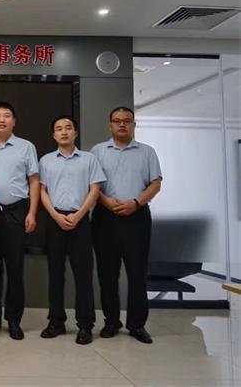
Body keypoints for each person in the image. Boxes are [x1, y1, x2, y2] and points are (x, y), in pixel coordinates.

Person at [91, 106, 162, 344]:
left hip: (137, 217)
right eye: (117, 121)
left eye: (127, 121)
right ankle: (111, 322)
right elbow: (92, 184)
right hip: (105, 217)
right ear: (110, 125)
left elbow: (155, 184)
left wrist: (136, 202)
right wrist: (106, 201)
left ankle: (137, 325)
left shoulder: (147, 152)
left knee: (137, 273)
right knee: (107, 274)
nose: (122, 124)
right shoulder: (97, 151)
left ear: (133, 125)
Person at [0, 101, 40, 340]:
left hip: (15, 212)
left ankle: (13, 319)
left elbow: (34, 181)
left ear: (14, 121)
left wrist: (32, 213)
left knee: (14, 267)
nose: (2, 120)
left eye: (7, 116)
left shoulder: (26, 147)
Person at [38, 116, 106, 345]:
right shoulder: (46, 161)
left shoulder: (89, 159)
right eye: (59, 129)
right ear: (53, 135)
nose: (64, 132)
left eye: (68, 128)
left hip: (81, 220)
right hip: (55, 220)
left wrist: (78, 215)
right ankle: (56, 321)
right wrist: (55, 215)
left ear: (75, 132)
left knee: (83, 274)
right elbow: (42, 191)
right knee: (55, 274)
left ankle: (85, 324)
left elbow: (95, 189)